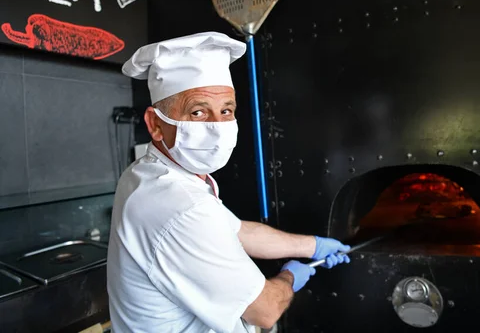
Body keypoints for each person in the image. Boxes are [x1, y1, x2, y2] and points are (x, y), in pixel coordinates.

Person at [107, 32, 351, 333]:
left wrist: (311, 246)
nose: (218, 127)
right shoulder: (180, 205)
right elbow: (266, 309)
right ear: (156, 124)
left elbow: (237, 231)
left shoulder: (150, 173)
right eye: (198, 112)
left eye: (226, 110)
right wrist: (289, 277)